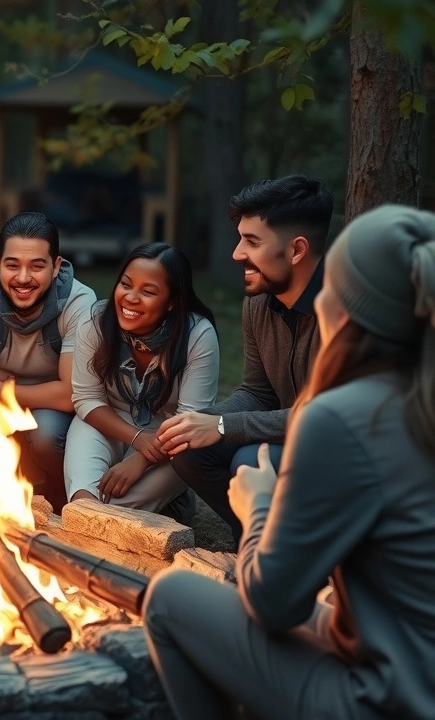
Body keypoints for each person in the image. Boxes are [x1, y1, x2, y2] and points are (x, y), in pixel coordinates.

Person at [142, 204, 435, 720]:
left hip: (387, 697)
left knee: (168, 597)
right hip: (403, 649)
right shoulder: (413, 401)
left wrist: (260, 509)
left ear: (345, 303)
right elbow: (255, 390)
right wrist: (206, 423)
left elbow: (274, 607)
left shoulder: (343, 418)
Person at [160, 175, 331, 542]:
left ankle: (286, 553)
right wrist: (202, 421)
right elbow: (258, 392)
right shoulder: (257, 303)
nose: (237, 253)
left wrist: (223, 427)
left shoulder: (344, 311)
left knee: (250, 460)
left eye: (252, 241)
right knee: (187, 445)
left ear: (297, 250)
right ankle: (264, 538)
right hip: (287, 436)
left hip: (343, 450)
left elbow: (327, 417)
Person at [64, 242, 219, 516]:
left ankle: (162, 502)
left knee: (107, 510)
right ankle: (89, 514)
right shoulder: (96, 322)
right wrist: (136, 438)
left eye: (148, 292)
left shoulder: (197, 335)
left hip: (172, 442)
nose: (130, 298)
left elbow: (189, 421)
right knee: (83, 502)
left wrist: (139, 461)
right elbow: (86, 398)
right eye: (126, 284)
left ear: (172, 301)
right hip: (109, 422)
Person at [0, 212, 97, 510]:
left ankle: (60, 495)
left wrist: (1, 390)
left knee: (46, 433)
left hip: (56, 414)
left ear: (56, 265)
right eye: (12, 265)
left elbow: (70, 395)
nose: (23, 278)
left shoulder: (79, 302)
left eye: (37, 266)